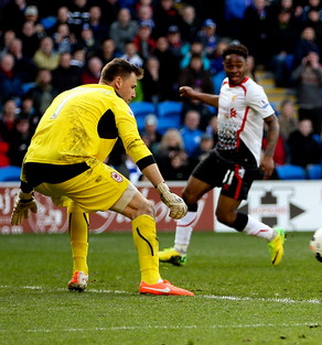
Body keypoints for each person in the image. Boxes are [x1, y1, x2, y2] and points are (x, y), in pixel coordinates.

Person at [10, 58, 193, 296]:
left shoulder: (67, 95)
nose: (133, 93)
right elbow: (135, 146)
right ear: (118, 82)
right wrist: (164, 191)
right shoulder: (114, 102)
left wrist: (25, 193)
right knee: (144, 208)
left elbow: (39, 143)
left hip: (35, 173)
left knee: (78, 201)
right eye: (132, 86)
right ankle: (152, 279)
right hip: (72, 167)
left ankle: (80, 272)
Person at [158, 43, 285, 267]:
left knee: (224, 216)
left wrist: (268, 156)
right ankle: (179, 251)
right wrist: (196, 95)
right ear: (224, 65)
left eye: (239, 65)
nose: (234, 70)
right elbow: (223, 102)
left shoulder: (253, 90)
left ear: (246, 65)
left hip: (242, 161)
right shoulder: (226, 83)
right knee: (187, 197)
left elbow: (273, 122)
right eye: (229, 65)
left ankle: (273, 235)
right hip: (220, 153)